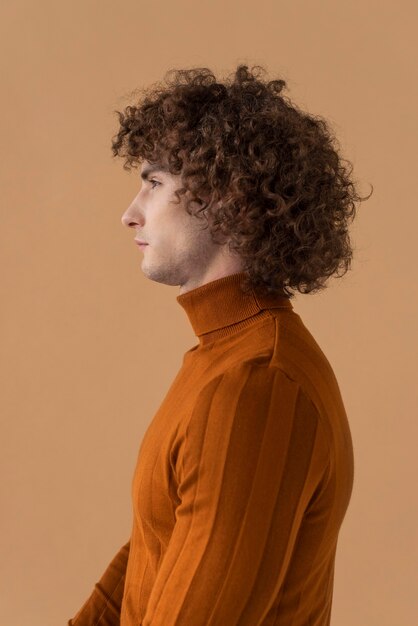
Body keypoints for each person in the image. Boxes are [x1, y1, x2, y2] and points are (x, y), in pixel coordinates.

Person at [68, 64, 371, 625]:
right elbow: (151, 550)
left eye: (154, 184)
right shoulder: (224, 357)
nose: (129, 212)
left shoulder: (257, 381)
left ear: (225, 195)